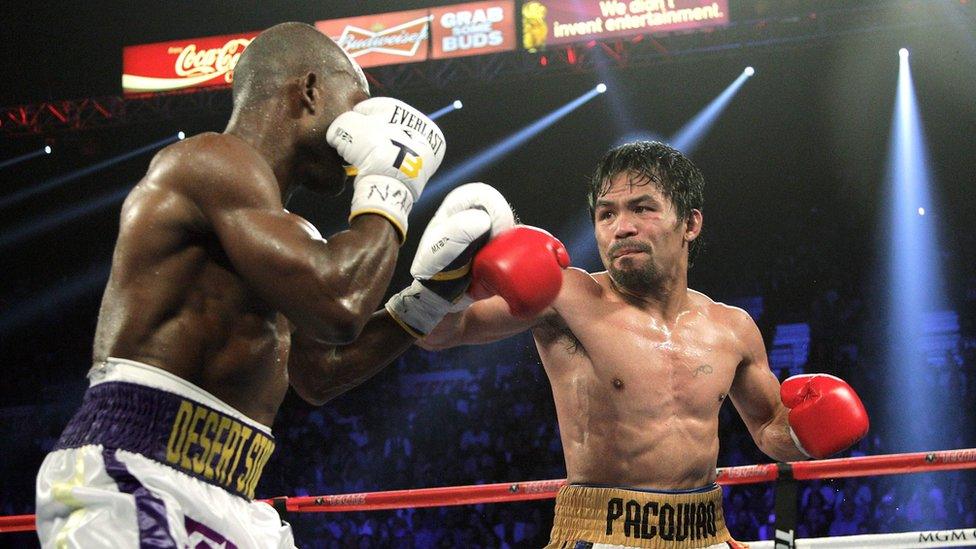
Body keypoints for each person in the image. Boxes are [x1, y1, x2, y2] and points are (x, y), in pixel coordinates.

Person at [33, 21, 462, 548]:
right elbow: (341, 303)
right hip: (133, 470)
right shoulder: (210, 160)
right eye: (356, 102)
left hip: (231, 492)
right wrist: (394, 182)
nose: (364, 127)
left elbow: (321, 373)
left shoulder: (285, 235)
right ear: (309, 91)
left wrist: (430, 298)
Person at [421, 140, 870, 548]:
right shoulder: (564, 295)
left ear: (690, 223)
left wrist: (806, 433)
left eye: (642, 209)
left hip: (705, 534)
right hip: (602, 534)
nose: (621, 228)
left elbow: (770, 427)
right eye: (606, 214)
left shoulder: (732, 327)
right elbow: (442, 334)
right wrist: (448, 285)